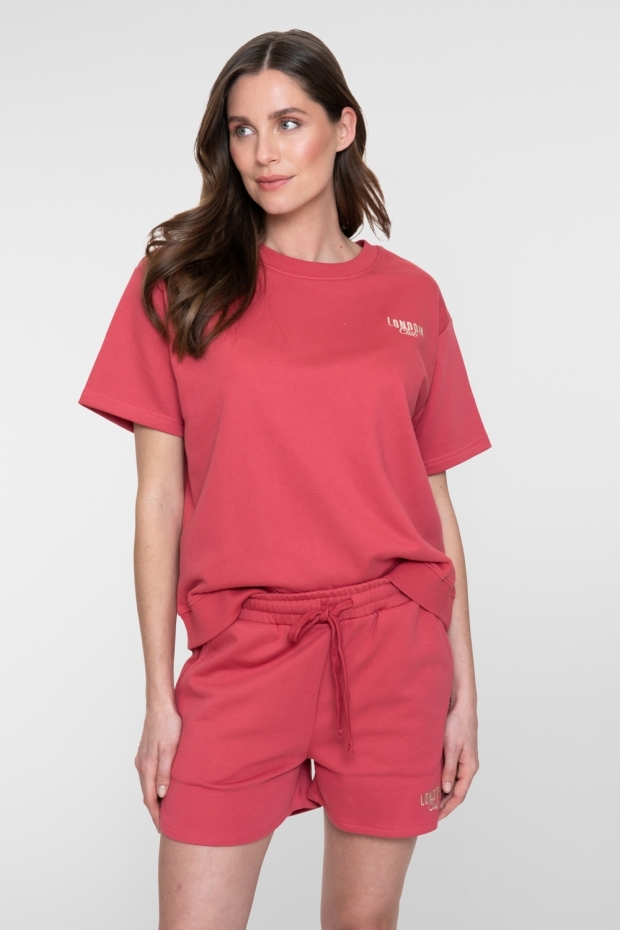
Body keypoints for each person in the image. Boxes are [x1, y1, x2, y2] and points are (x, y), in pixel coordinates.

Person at [79, 28, 491, 930]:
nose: (264, 152)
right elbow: (158, 501)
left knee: (362, 923)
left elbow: (435, 504)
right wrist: (158, 695)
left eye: (289, 123)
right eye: (242, 129)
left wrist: (466, 690)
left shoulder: (412, 299)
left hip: (393, 645)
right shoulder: (180, 285)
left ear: (344, 128)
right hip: (245, 647)